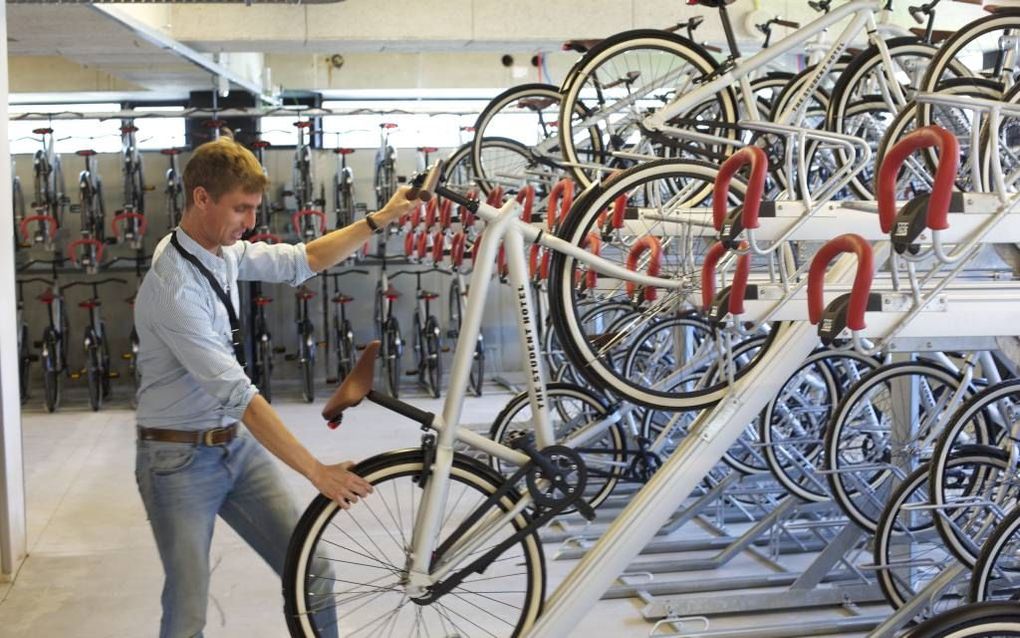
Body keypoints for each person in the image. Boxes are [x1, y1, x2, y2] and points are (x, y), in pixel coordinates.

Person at [133, 135, 419, 637]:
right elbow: (239, 395)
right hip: (176, 462)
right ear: (202, 198)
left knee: (314, 570)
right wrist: (315, 470)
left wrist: (380, 219)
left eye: (252, 209)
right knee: (187, 613)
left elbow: (299, 260)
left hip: (235, 449)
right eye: (240, 209)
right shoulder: (172, 288)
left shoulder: (219, 250)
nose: (249, 222)